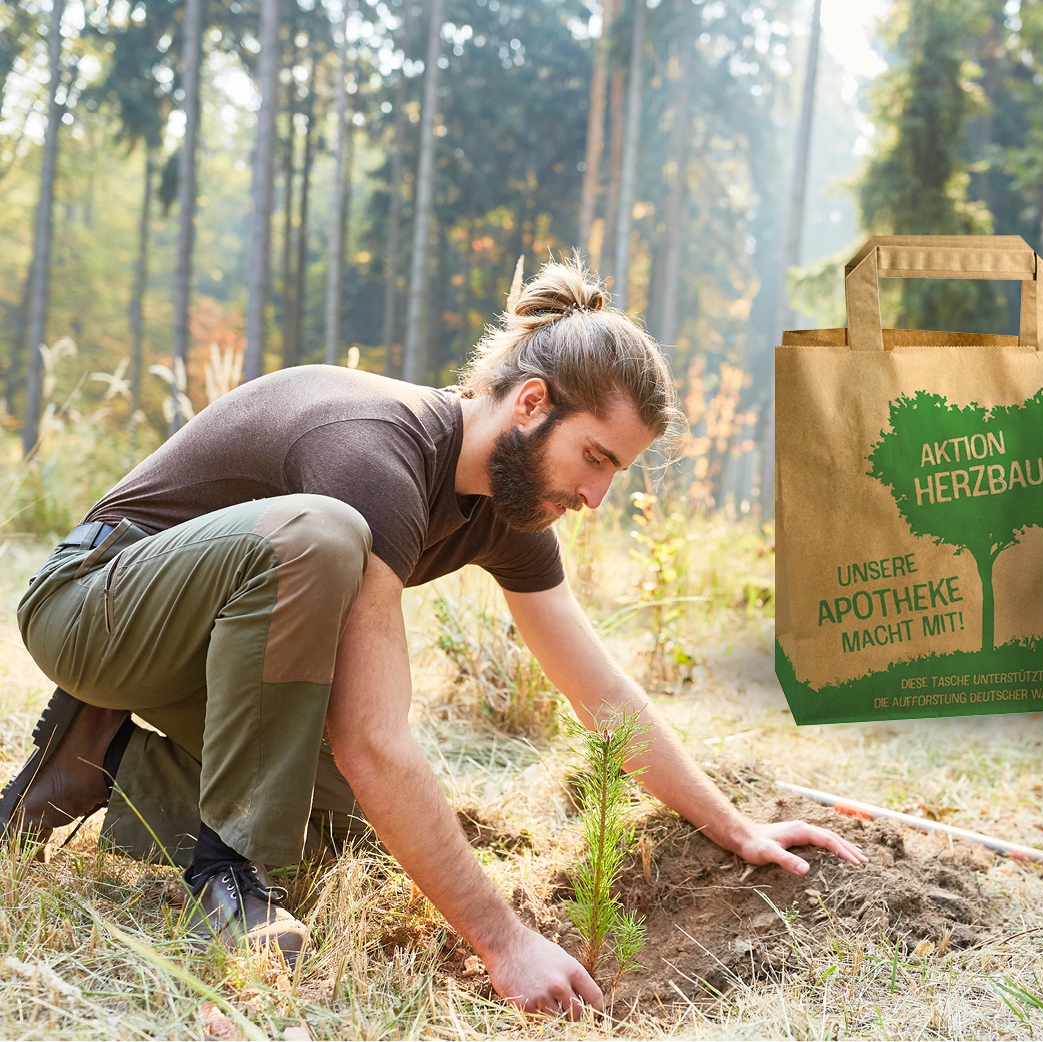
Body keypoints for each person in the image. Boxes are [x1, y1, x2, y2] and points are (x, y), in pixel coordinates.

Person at [1, 259, 864, 1016]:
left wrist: (736, 826)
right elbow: (374, 740)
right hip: (91, 609)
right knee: (321, 535)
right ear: (532, 404)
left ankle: (98, 763)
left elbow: (598, 690)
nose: (597, 498)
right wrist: (504, 941)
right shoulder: (375, 454)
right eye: (595, 459)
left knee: (344, 828)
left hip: (200, 650)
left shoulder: (508, 512)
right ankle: (228, 877)